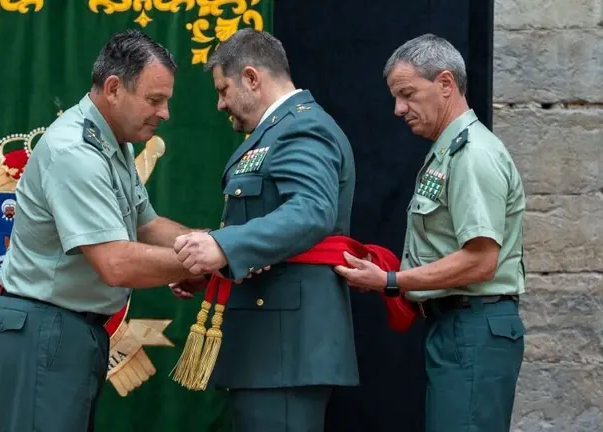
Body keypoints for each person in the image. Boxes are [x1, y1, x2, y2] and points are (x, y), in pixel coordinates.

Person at [0, 29, 207, 432]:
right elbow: (115, 264)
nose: (165, 113)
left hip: (67, 328)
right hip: (45, 327)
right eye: (154, 100)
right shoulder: (75, 151)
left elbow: (147, 224)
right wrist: (204, 259)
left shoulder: (113, 143)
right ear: (114, 88)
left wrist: (213, 246)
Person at [334, 33, 526, 432]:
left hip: (473, 325)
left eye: (407, 94)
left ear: (445, 83)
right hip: (458, 324)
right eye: (396, 97)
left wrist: (391, 280)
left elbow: (481, 261)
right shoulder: (449, 149)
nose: (398, 109)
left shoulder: (472, 155)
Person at [170, 28, 360, 431]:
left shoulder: (302, 127)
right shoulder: (275, 131)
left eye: (223, 90)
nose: (221, 104)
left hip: (285, 348)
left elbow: (312, 211)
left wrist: (223, 246)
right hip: (269, 346)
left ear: (252, 78)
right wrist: (219, 261)